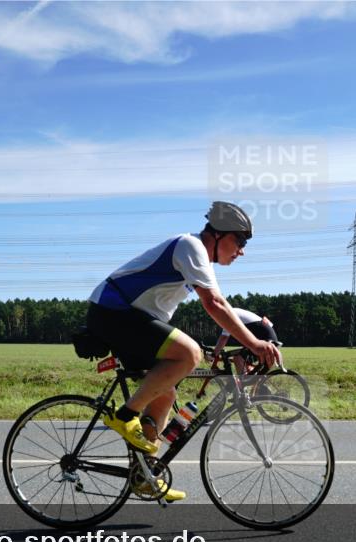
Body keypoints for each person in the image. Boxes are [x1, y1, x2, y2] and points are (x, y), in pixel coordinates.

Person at [87, 201, 281, 501]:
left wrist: (228, 345)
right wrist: (253, 343)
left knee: (165, 393)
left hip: (129, 318)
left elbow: (221, 304)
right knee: (190, 355)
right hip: (113, 311)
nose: (241, 250)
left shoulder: (199, 258)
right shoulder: (191, 246)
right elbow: (213, 304)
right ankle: (125, 416)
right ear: (218, 235)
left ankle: (144, 476)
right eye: (239, 241)